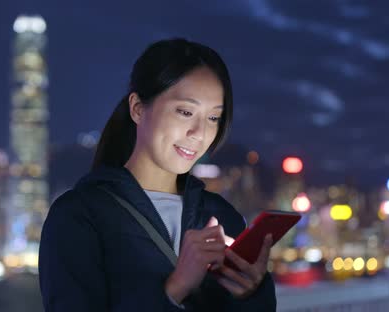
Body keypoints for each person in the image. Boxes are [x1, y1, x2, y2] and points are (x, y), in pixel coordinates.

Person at [39, 38, 276, 311]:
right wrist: (174, 289)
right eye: (185, 112)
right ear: (138, 108)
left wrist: (253, 293)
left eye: (213, 118)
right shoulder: (80, 216)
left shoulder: (223, 216)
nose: (199, 134)